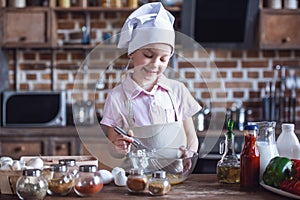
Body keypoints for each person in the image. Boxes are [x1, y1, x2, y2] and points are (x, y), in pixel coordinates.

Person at [100, 2, 201, 158]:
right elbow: (114, 147)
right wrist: (119, 147)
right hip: (137, 177)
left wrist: (190, 153)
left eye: (163, 59)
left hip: (174, 176)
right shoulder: (117, 97)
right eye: (148, 55)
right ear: (132, 52)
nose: (155, 64)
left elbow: (191, 137)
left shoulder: (177, 90)